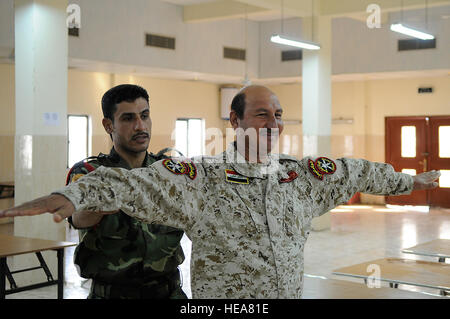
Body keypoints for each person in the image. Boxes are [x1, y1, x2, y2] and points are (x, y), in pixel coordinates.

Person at [0, 85, 440, 299]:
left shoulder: (300, 177)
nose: (273, 124)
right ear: (235, 121)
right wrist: (76, 196)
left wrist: (408, 181)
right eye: (262, 114)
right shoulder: (201, 176)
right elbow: (131, 183)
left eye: (279, 115)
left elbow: (352, 171)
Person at [65, 84, 186, 299]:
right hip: (113, 293)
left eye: (145, 116)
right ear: (108, 125)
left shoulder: (168, 171)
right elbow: (79, 217)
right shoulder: (89, 172)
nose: (140, 126)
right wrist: (110, 196)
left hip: (169, 292)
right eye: (128, 118)